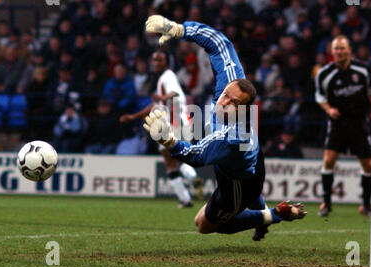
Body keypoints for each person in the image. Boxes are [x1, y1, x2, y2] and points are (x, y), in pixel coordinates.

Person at [142, 15, 306, 240]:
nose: (224, 101)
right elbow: (220, 44)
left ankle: (274, 215)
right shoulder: (233, 83)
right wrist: (180, 29)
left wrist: (168, 140)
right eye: (226, 94)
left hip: (237, 183)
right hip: (250, 161)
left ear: (243, 110)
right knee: (247, 191)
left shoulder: (233, 137)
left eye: (233, 103)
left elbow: (196, 155)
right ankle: (263, 212)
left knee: (205, 224)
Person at [120, 50, 204, 206]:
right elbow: (155, 105)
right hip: (184, 121)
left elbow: (175, 93)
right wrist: (134, 116)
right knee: (181, 157)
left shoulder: (168, 76)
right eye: (154, 60)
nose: (156, 63)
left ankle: (186, 196)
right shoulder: (162, 80)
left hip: (172, 123)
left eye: (159, 60)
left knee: (170, 161)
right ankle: (191, 181)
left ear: (166, 62)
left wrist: (163, 98)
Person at [315, 35, 371, 217]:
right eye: (336, 49)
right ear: (331, 52)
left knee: (367, 164)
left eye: (342, 48)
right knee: (328, 160)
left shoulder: (363, 71)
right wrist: (329, 109)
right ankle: (326, 202)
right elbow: (319, 97)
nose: (339, 52)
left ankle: (365, 204)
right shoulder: (324, 74)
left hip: (359, 122)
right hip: (338, 123)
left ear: (350, 50)